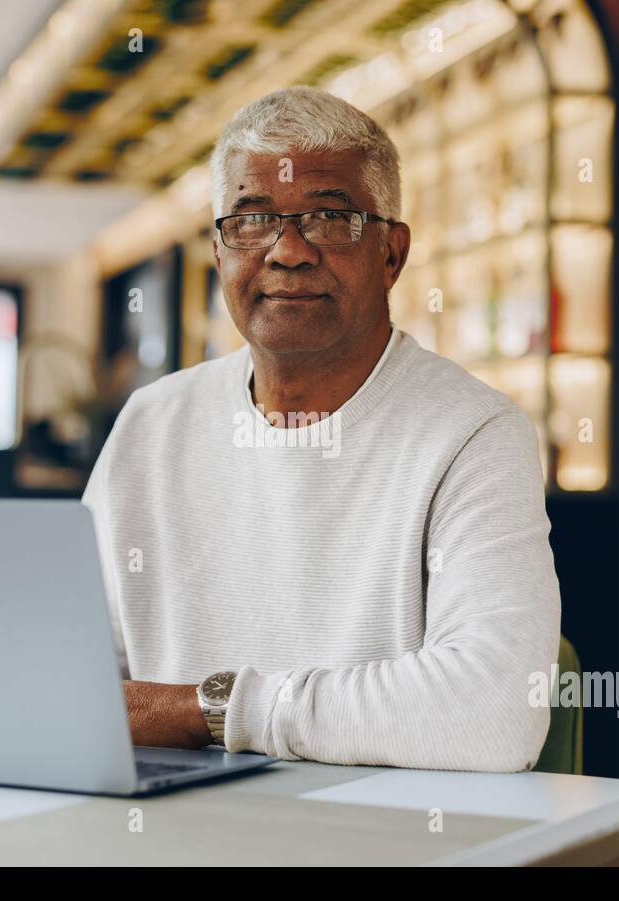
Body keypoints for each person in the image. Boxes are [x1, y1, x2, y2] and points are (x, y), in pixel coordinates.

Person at [83, 86, 560, 772]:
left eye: (330, 218)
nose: (289, 251)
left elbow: (495, 711)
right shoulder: (150, 426)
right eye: (252, 220)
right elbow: (76, 684)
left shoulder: (474, 434)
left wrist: (208, 710)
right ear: (219, 252)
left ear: (391, 254)